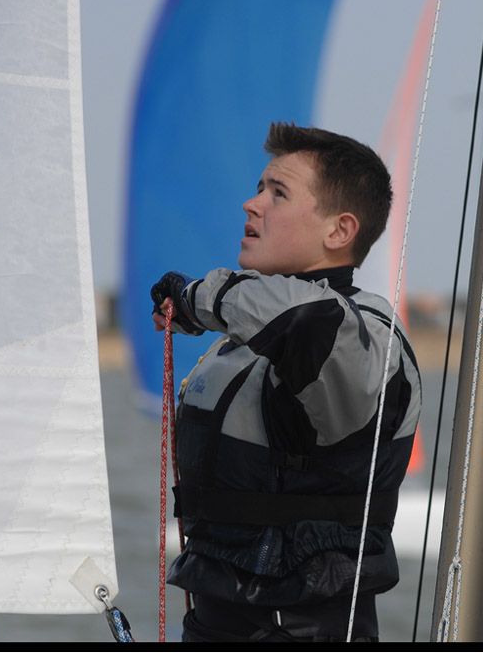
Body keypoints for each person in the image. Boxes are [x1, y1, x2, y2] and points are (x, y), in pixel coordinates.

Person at [151, 122, 422, 642]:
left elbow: (309, 321)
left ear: (339, 231)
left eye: (278, 193)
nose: (251, 205)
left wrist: (197, 300)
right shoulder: (248, 339)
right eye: (258, 189)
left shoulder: (361, 334)